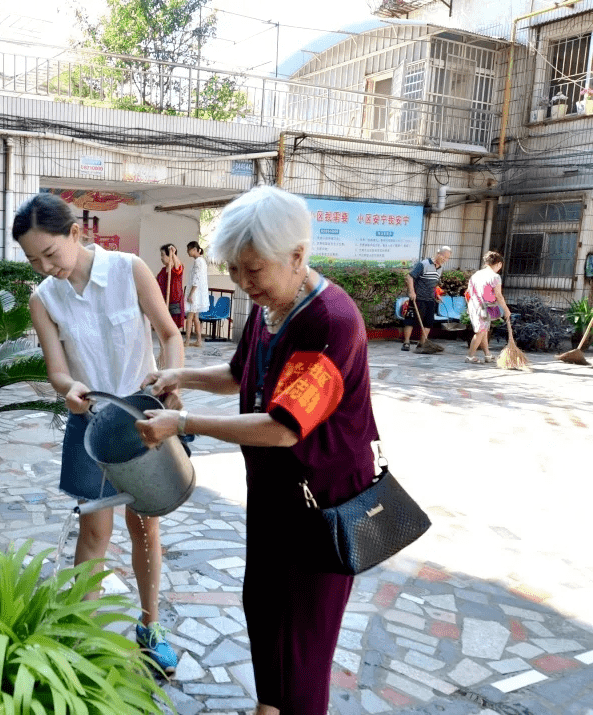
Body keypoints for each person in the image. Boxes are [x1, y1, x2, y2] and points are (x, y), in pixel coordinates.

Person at [134, 185, 380, 715]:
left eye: (254, 271)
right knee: (264, 607)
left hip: (322, 508)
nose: (245, 285)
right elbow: (237, 372)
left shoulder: (329, 320)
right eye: (236, 271)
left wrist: (181, 421)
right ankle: (269, 705)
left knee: (302, 637)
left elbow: (285, 427)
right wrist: (179, 374)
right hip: (274, 495)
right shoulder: (273, 306)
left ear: (297, 256)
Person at [12, 192, 183, 676]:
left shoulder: (130, 270)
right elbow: (57, 371)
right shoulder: (43, 298)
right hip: (91, 424)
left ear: (76, 234)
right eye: (33, 260)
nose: (45, 267)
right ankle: (80, 636)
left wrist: (173, 379)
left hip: (145, 417)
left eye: (50, 253)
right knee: (95, 529)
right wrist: (69, 390)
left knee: (146, 527)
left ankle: (150, 628)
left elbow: (169, 335)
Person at [402, 246, 451, 352]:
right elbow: (410, 277)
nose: (445, 260)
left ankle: (422, 343)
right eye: (444, 257)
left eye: (447, 258)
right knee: (411, 320)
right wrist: (411, 291)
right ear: (438, 254)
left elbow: (434, 283)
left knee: (428, 322)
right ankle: (406, 342)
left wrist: (437, 294)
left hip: (430, 299)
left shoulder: (440, 268)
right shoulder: (423, 264)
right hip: (418, 298)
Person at [465, 251, 510, 363]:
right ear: (499, 264)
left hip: (474, 304)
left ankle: (488, 355)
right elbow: (499, 295)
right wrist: (506, 310)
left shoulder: (476, 274)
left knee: (484, 330)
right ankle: (470, 357)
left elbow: (468, 292)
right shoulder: (495, 277)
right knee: (480, 331)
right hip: (484, 307)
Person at [184, 240, 210, 347]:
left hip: (195, 293)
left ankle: (187, 341)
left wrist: (190, 294)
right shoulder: (202, 261)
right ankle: (198, 341)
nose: (187, 252)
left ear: (194, 249)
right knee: (196, 318)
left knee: (190, 318)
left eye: (189, 250)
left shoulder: (198, 262)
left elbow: (196, 279)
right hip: (198, 294)